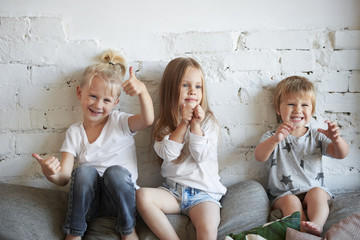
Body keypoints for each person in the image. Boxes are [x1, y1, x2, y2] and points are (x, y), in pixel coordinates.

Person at [32, 50, 154, 240]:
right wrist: (50, 173)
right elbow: (64, 177)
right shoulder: (75, 132)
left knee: (116, 172)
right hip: (89, 205)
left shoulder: (120, 123)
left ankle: (128, 230)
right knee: (84, 172)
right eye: (93, 96)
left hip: (119, 202)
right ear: (80, 93)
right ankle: (74, 233)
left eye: (106, 100)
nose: (98, 105)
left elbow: (147, 120)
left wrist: (143, 92)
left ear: (115, 103)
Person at [136, 57, 226, 240]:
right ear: (172, 89)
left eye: (198, 87)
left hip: (204, 194)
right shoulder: (164, 122)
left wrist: (195, 126)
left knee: (208, 229)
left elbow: (201, 155)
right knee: (141, 195)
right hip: (173, 192)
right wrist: (183, 123)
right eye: (185, 85)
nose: (193, 91)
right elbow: (169, 154)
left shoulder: (208, 121)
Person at [254, 75, 349, 236]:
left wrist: (337, 140)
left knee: (318, 193)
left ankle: (316, 225)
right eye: (291, 104)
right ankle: (302, 229)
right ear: (278, 109)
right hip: (284, 194)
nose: (298, 109)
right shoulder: (272, 135)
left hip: (312, 188)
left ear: (311, 110)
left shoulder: (316, 136)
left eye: (304, 105)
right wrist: (275, 140)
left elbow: (341, 154)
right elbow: (259, 156)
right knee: (291, 201)